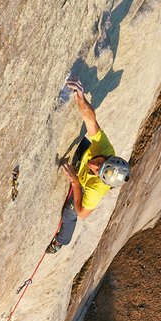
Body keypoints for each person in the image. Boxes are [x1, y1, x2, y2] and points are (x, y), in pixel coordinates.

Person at [47, 78, 130, 253]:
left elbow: (82, 213)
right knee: (85, 141)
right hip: (83, 158)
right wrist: (81, 100)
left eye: (97, 170)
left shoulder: (95, 190)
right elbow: (91, 121)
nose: (94, 165)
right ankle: (79, 162)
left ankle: (61, 241)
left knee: (69, 214)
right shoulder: (105, 148)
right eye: (99, 162)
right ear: (107, 157)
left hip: (82, 186)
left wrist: (76, 183)